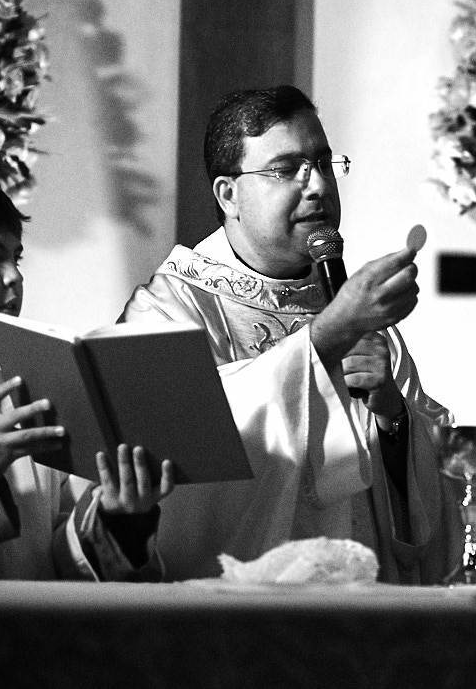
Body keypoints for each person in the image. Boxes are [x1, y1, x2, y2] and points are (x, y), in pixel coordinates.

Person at [120, 85, 458, 583]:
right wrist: (324, 341)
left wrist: (391, 414)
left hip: (359, 608)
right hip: (224, 616)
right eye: (286, 170)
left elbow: (434, 498)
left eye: (324, 163)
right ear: (227, 194)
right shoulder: (168, 308)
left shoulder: (352, 305)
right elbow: (182, 448)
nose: (318, 185)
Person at [0, 175, 172, 579]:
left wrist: (118, 518)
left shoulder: (30, 398)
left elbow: (57, 554)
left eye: (16, 257)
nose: (14, 276)